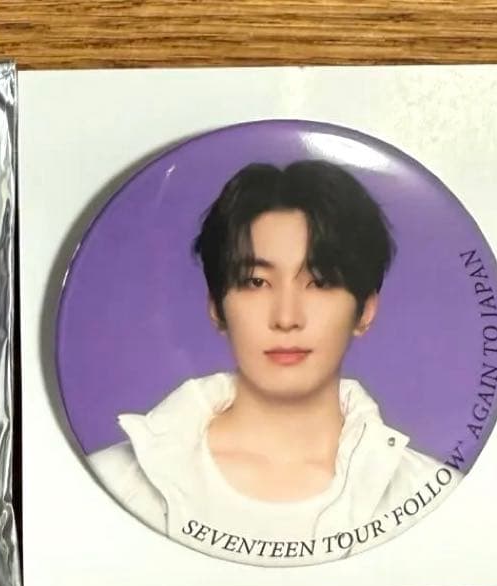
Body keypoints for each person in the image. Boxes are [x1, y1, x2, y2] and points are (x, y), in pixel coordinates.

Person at [87, 160, 460, 563]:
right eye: (256, 282)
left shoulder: (437, 501)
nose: (286, 317)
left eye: (320, 281)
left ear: (365, 311)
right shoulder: (109, 483)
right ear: (216, 307)